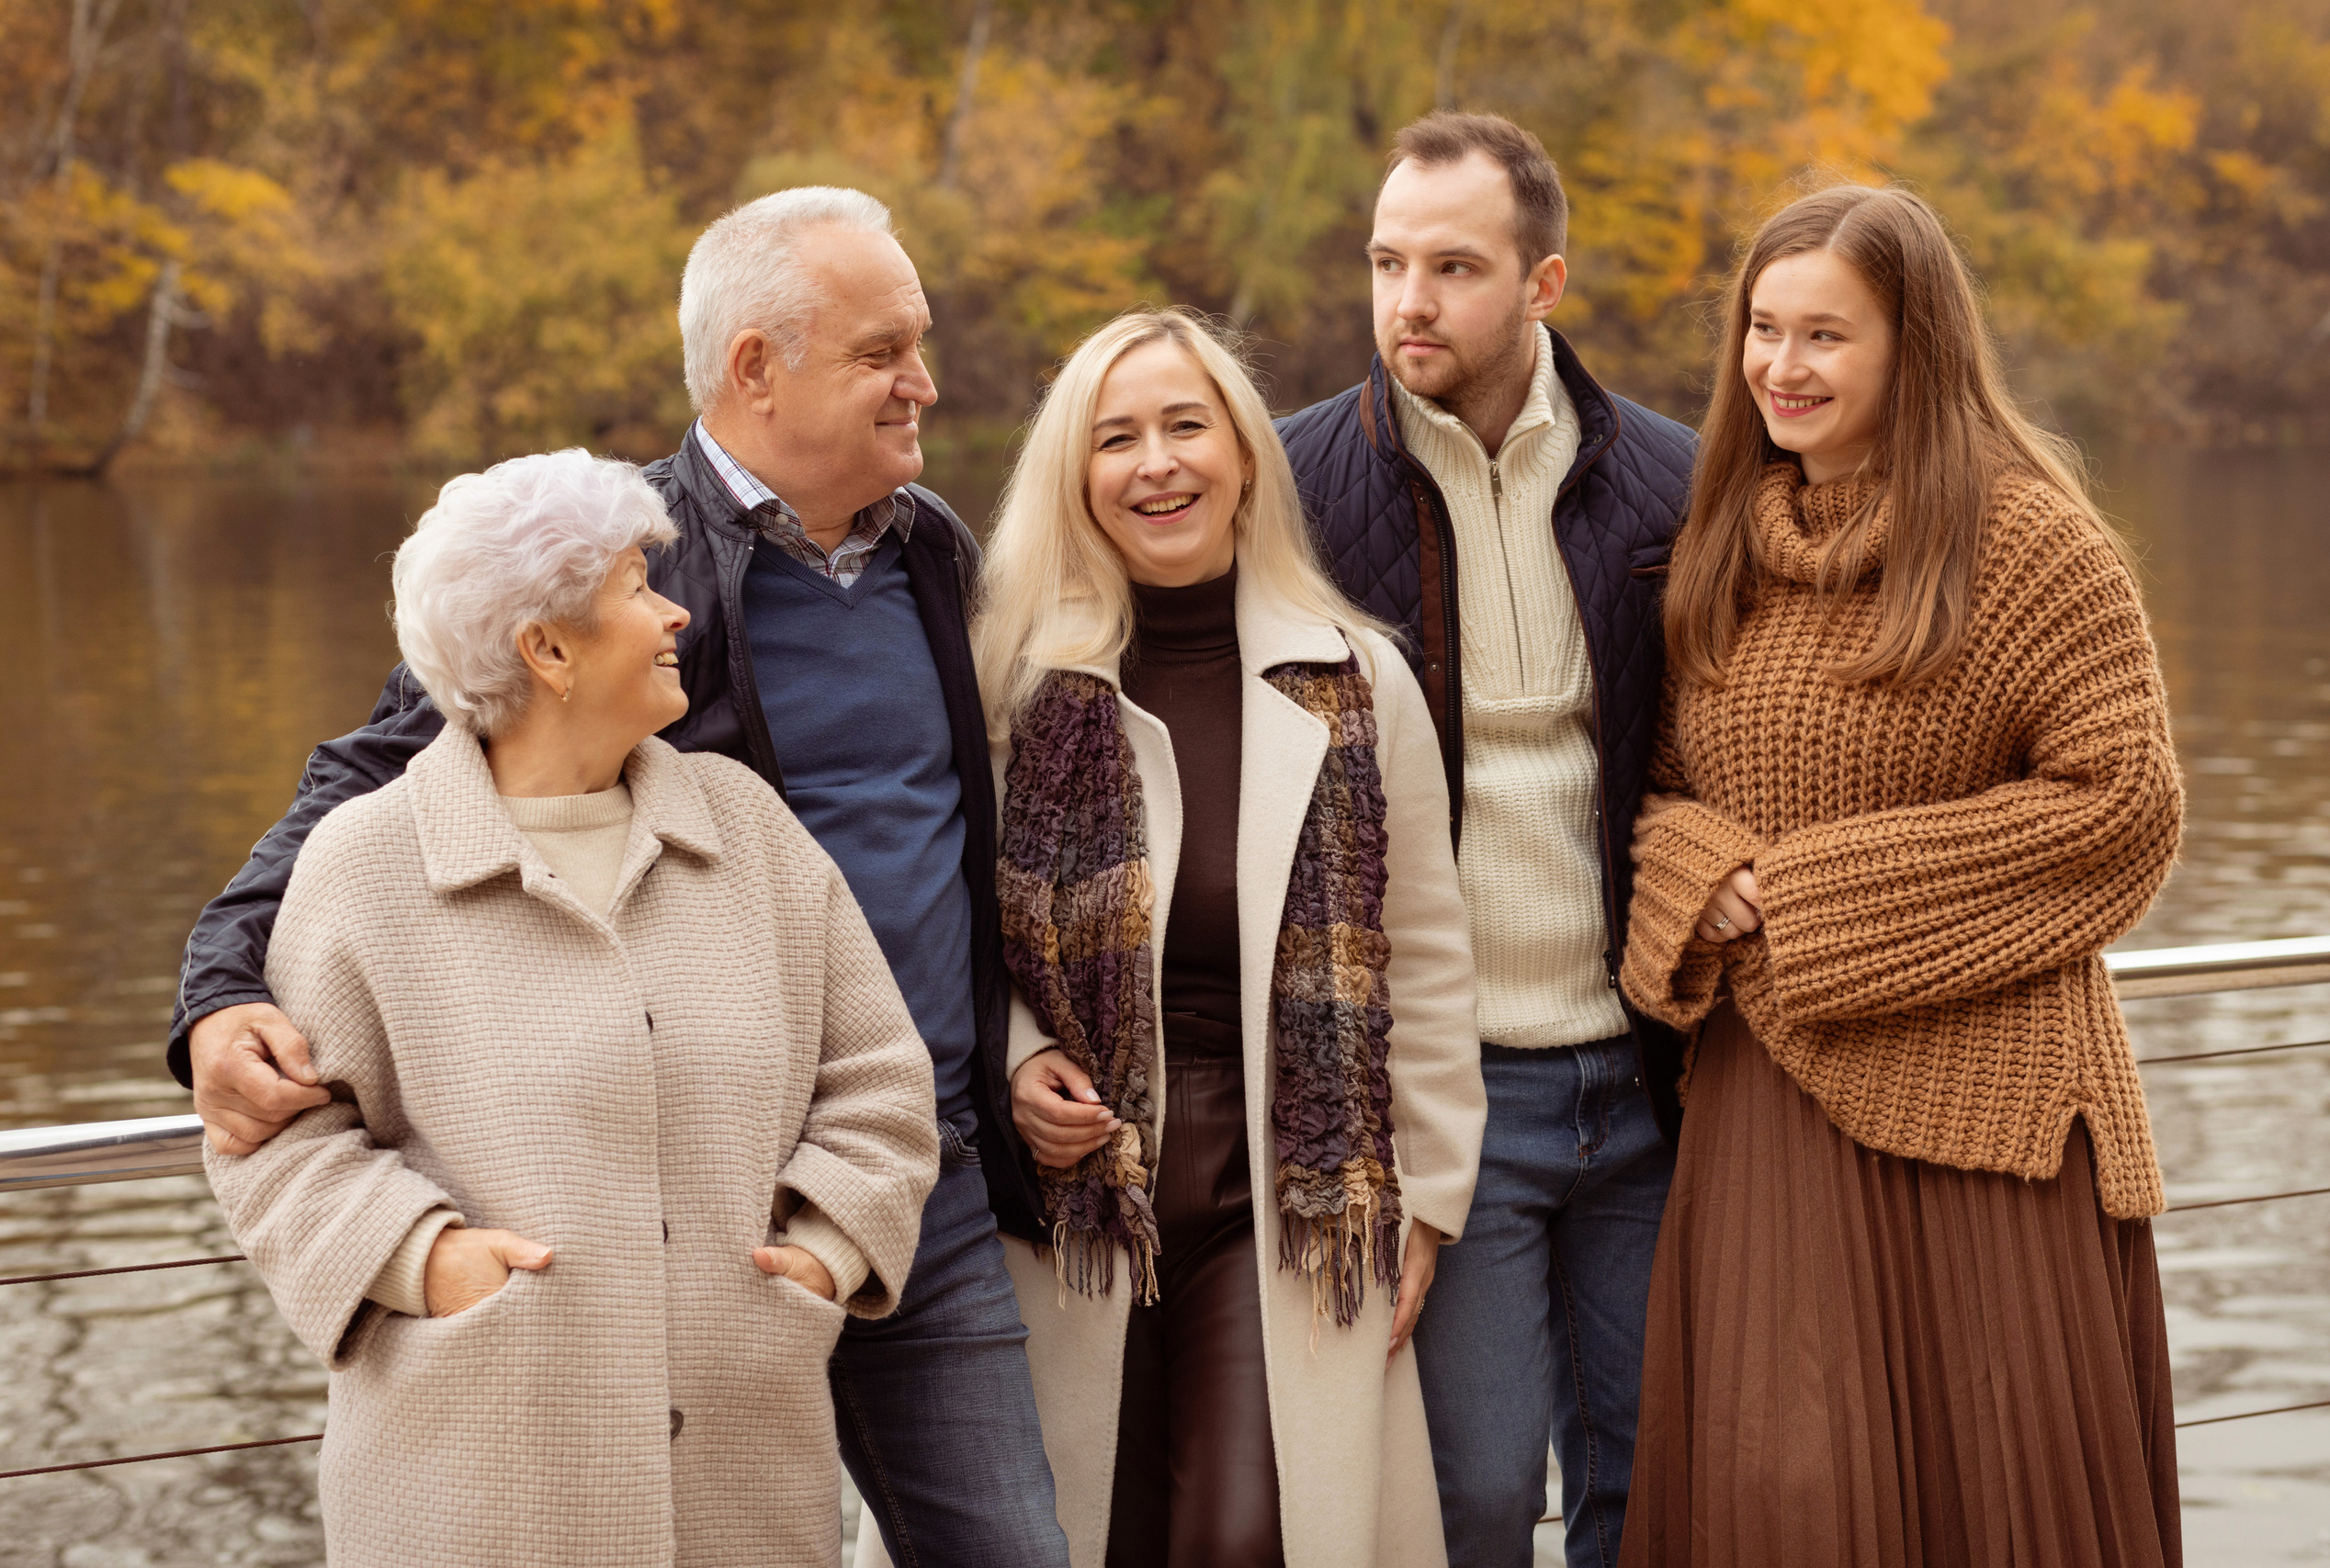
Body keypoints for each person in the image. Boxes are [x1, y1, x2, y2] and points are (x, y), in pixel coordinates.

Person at [167, 188, 1071, 1568]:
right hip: (670, 1203)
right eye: (883, 350)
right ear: (757, 367)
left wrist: (1007, 1044)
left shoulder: (932, 547)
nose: (924, 382)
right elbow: (365, 791)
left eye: (919, 344)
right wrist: (219, 989)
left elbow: (966, 836)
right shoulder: (603, 558)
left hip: (911, 1178)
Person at [202, 450, 940, 1565]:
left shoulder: (746, 828)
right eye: (639, 587)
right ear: (546, 650)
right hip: (472, 1489)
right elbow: (278, 1141)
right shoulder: (365, 863)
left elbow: (878, 1078)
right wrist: (425, 1263)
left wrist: (828, 1253)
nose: (676, 612)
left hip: (745, 1487)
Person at [1617, 183, 2185, 1566]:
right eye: (1764, 329)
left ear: (1911, 346)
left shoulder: (2026, 539)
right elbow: (1665, 786)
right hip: (1768, 1103)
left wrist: (1810, 901)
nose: (1782, 366)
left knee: (1998, 1500)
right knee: (1779, 1492)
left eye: (1826, 335)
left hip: (1985, 1118)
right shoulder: (1722, 544)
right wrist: (1697, 873)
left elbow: (2124, 803)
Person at [971, 307, 1487, 1568]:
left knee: (1253, 1532)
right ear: (1076, 478)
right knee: (1090, 1532)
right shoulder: (1015, 686)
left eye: (1186, 426)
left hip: (1293, 1185)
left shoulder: (1360, 680)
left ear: (1246, 456)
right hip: (1080, 1190)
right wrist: (1017, 1055)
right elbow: (959, 928)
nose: (1156, 464)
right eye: (1116, 438)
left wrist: (1425, 1203)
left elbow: (1423, 951)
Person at [1277, 113, 1695, 1568]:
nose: (1410, 300)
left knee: (1654, 1483)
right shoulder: (1292, 488)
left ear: (1544, 283)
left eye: (1454, 267)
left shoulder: (1675, 481)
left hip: (1651, 1077)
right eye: (1388, 261)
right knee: (1474, 1493)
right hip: (1451, 1094)